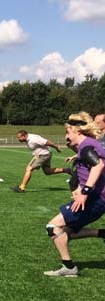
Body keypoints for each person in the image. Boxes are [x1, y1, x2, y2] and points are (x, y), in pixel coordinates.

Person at [44, 112, 105, 277]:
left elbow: (98, 166)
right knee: (66, 233)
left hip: (95, 199)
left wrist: (84, 192)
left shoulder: (86, 146)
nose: (66, 135)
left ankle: (69, 268)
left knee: (53, 227)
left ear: (77, 131)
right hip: (97, 198)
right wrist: (80, 187)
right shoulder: (87, 145)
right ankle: (102, 233)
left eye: (68, 131)